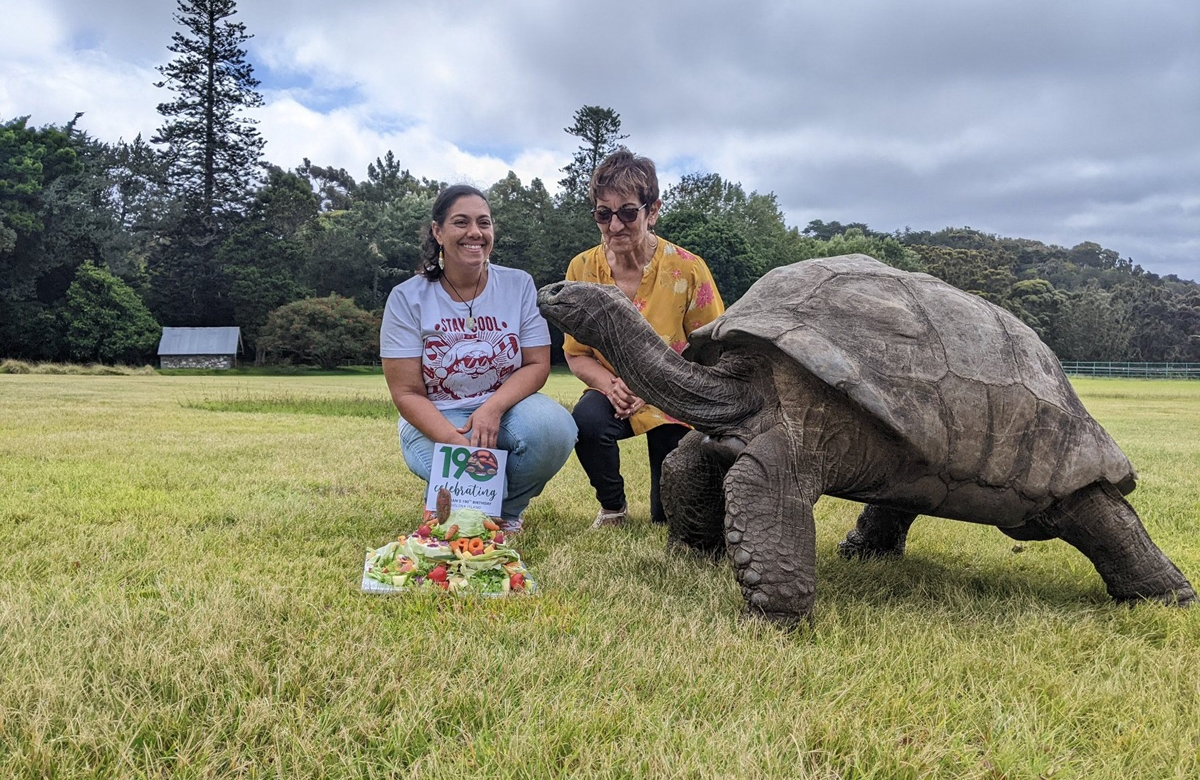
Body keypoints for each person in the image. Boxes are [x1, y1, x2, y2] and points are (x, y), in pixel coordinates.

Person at [381, 184, 577, 532]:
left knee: (554, 429)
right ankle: (472, 505)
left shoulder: (518, 285)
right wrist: (458, 445)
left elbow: (536, 364)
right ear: (438, 232)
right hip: (436, 416)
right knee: (465, 492)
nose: (475, 232)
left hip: (504, 411)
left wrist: (493, 408)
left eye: (483, 223)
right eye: (461, 222)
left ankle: (506, 512)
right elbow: (407, 393)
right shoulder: (406, 298)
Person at [563, 150, 725, 529]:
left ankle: (666, 506)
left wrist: (654, 386)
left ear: (652, 210)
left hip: (675, 395)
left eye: (628, 212)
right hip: (613, 391)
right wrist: (611, 385)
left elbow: (713, 350)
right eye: (604, 213)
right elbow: (575, 353)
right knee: (587, 420)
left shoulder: (689, 268)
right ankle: (613, 508)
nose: (615, 225)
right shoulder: (582, 269)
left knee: (667, 517)